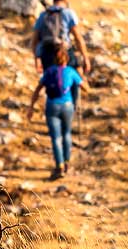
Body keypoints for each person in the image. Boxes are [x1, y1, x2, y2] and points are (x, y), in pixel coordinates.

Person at [27, 44, 85, 180]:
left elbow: (38, 89)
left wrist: (31, 107)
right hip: (68, 106)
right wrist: (80, 78)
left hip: (52, 106)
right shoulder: (71, 72)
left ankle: (59, 165)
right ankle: (66, 162)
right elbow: (85, 87)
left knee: (55, 137)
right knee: (66, 134)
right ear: (67, 59)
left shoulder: (49, 72)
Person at [32, 0, 92, 106]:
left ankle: (53, 110)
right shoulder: (68, 13)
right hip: (64, 52)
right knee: (75, 74)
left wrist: (37, 58)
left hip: (47, 54)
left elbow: (34, 41)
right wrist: (85, 57)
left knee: (51, 81)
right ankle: (71, 108)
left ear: (54, 0)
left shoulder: (43, 16)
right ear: (65, 0)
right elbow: (78, 37)